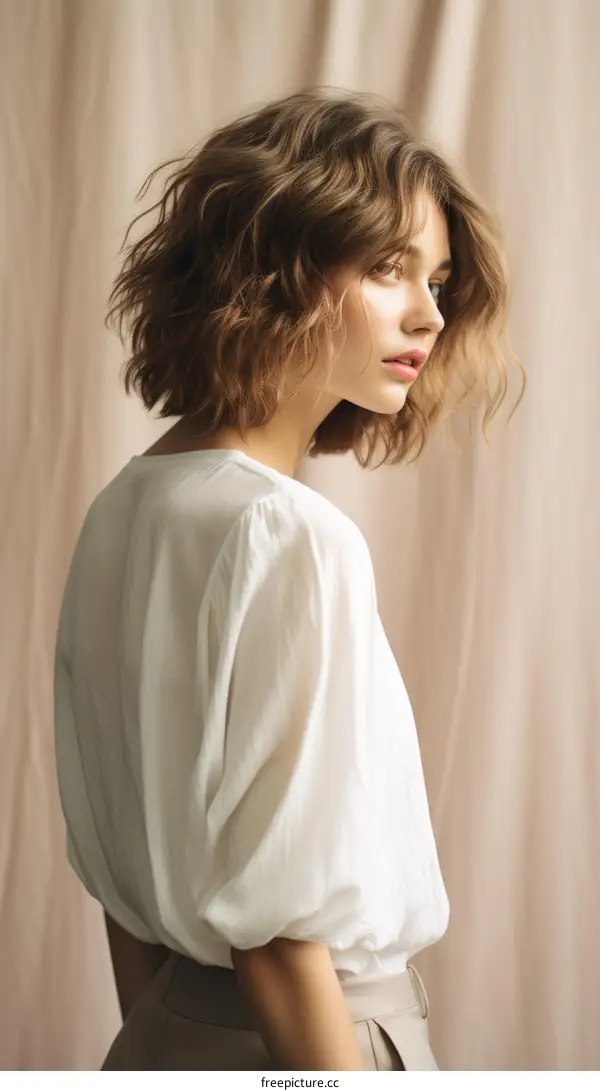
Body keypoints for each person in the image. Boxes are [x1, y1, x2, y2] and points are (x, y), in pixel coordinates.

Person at [53, 88, 524, 1071]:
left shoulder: (122, 511)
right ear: (277, 270)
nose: (429, 313)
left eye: (437, 277)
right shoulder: (291, 533)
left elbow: (129, 898)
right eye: (388, 267)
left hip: (159, 1035)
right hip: (321, 1040)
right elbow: (278, 936)